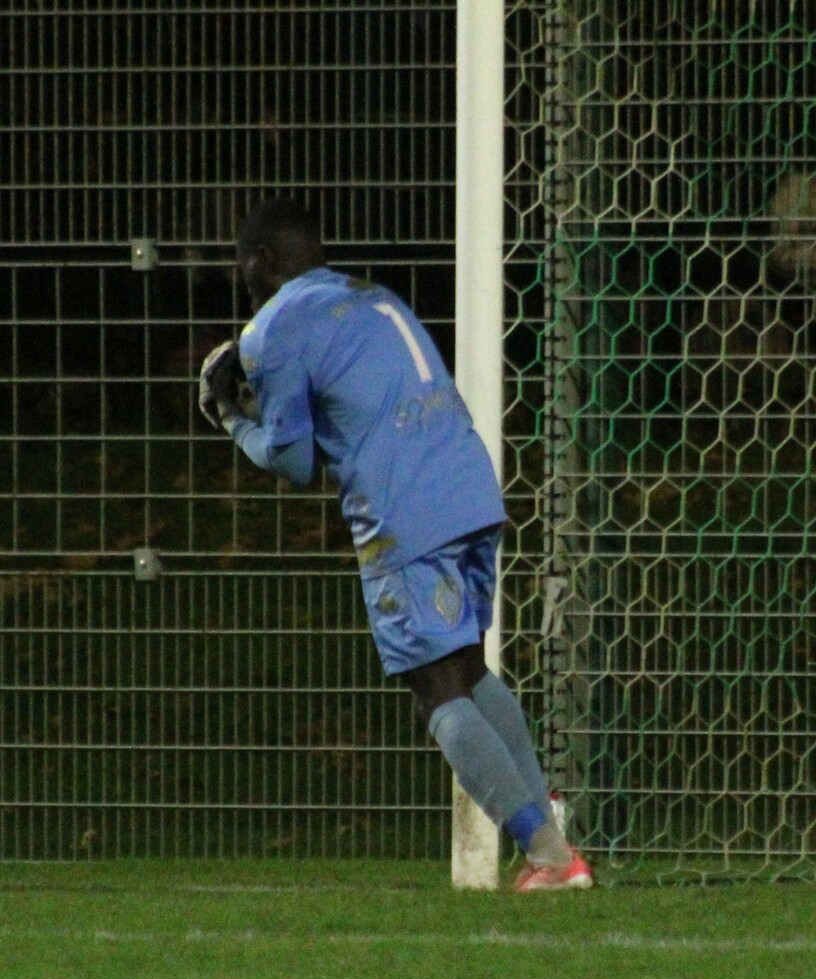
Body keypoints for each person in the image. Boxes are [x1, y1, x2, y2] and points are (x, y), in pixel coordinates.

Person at [199, 198, 591, 891]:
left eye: (242, 267)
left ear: (264, 260)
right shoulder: (371, 297)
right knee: (469, 670)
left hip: (405, 510)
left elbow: (292, 460)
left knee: (436, 689)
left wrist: (229, 414)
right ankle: (557, 846)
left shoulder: (273, 327)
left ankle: (548, 857)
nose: (242, 283)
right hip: (470, 485)